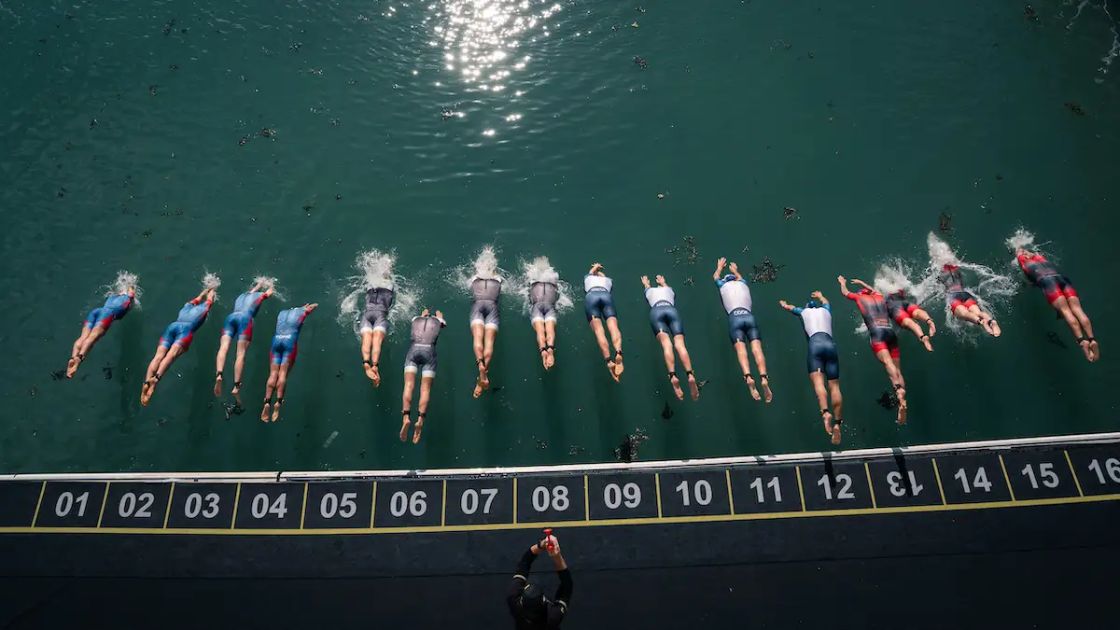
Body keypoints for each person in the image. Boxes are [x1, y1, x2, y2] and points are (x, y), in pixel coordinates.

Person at [837, 275, 907, 424]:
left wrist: (842, 283)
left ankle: (899, 391)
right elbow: (872, 290)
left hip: (878, 334)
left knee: (888, 363)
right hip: (890, 332)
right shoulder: (879, 296)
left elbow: (845, 292)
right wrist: (862, 281)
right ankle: (901, 394)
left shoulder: (859, 297)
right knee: (897, 370)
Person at [779, 291, 843, 445]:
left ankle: (825, 412)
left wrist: (784, 305)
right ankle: (838, 423)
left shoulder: (804, 312)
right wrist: (821, 296)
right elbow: (826, 302)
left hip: (815, 345)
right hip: (830, 344)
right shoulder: (826, 310)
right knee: (834, 386)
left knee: (818, 383)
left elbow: (791, 308)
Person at [1015, 248, 1098, 361]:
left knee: (1066, 311)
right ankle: (1092, 339)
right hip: (1061, 279)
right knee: (1078, 309)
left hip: (1048, 282)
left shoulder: (1024, 262)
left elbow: (1019, 254)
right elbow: (1034, 254)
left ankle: (1081, 341)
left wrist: (1018, 250)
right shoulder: (1041, 259)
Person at [140, 287, 216, 406]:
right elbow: (210, 299)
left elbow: (198, 298)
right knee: (171, 355)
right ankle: (156, 379)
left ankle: (146, 382)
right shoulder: (204, 308)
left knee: (158, 356)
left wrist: (204, 290)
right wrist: (213, 289)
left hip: (172, 327)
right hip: (185, 330)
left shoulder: (186, 307)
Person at [713, 257, 772, 402]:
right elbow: (741, 278)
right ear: (736, 279)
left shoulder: (723, 286)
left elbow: (715, 277)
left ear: (726, 281)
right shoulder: (743, 284)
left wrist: (720, 267)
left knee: (741, 350)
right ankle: (764, 378)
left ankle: (748, 377)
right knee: (757, 349)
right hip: (748, 316)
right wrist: (736, 271)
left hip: (735, 318)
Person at [641, 274, 700, 400]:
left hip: (657, 311)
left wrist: (646, 283)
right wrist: (663, 282)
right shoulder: (669, 290)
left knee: (666, 344)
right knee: (680, 345)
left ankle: (673, 376)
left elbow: (647, 288)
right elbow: (667, 288)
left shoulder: (649, 291)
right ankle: (690, 374)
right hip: (671, 310)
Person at [213, 279, 274, 398]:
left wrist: (259, 284)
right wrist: (271, 285)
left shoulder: (241, 296)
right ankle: (236, 386)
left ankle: (219, 374)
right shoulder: (259, 296)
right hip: (245, 319)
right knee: (240, 354)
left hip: (231, 317)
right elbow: (269, 293)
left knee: (223, 347)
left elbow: (252, 291)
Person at [260, 303, 318, 422]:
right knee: (283, 374)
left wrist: (302, 308)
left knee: (273, 374)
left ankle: (267, 402)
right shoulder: (301, 313)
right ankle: (278, 402)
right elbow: (313, 306)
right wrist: (309, 308)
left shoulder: (282, 313)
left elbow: (297, 311)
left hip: (276, 341)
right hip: (289, 342)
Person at [67, 285, 136, 378]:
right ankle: (78, 359)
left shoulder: (113, 296)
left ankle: (73, 357)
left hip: (97, 311)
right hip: (107, 316)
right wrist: (132, 287)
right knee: (92, 338)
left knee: (83, 337)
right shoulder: (128, 297)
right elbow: (131, 294)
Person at [507, 533, 572, 629]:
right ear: (544, 602)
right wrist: (556, 555)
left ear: (521, 603)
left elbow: (524, 564)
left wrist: (540, 545)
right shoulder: (552, 617)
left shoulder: (514, 601)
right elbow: (567, 585)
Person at [400, 308, 446, 443]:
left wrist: (423, 314)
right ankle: (420, 420)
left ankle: (406, 417)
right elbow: (441, 323)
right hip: (429, 351)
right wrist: (439, 315)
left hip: (413, 351)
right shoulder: (438, 321)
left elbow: (420, 317)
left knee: (408, 385)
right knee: (425, 389)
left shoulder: (416, 319)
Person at [584, 262, 624, 381]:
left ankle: (609, 360)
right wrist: (599, 270)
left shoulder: (588, 278)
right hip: (606, 296)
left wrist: (595, 266)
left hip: (592, 296)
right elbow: (600, 274)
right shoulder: (608, 281)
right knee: (613, 327)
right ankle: (618, 352)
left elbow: (591, 272)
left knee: (599, 331)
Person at [938, 264, 1001, 337]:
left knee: (965, 314)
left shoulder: (941, 273)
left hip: (952, 296)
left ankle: (981, 322)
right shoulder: (957, 271)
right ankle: (991, 321)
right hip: (965, 294)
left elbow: (940, 288)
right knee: (978, 312)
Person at [469, 274, 501, 397]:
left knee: (477, 338)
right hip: (492, 306)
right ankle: (480, 376)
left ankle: (480, 364)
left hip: (478, 305)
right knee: (489, 343)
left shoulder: (475, 278)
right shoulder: (497, 279)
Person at [360, 285, 395, 387]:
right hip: (380, 314)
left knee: (366, 339)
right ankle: (374, 365)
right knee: (377, 340)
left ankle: (366, 363)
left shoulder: (370, 284)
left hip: (367, 314)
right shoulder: (388, 284)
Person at [529, 279, 560, 370]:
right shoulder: (553, 282)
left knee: (540, 331)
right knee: (550, 330)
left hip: (537, 306)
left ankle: (543, 350)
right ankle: (550, 349)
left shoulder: (533, 281)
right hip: (550, 306)